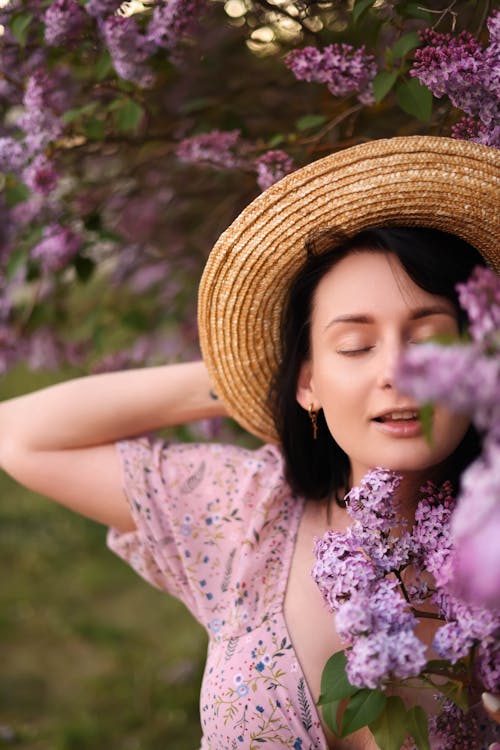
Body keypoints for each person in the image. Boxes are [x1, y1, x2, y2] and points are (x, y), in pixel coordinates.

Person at [0, 136, 499, 750]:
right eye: (354, 345)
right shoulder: (248, 508)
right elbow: (22, 436)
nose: (397, 371)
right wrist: (258, 378)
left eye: (427, 341)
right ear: (309, 381)